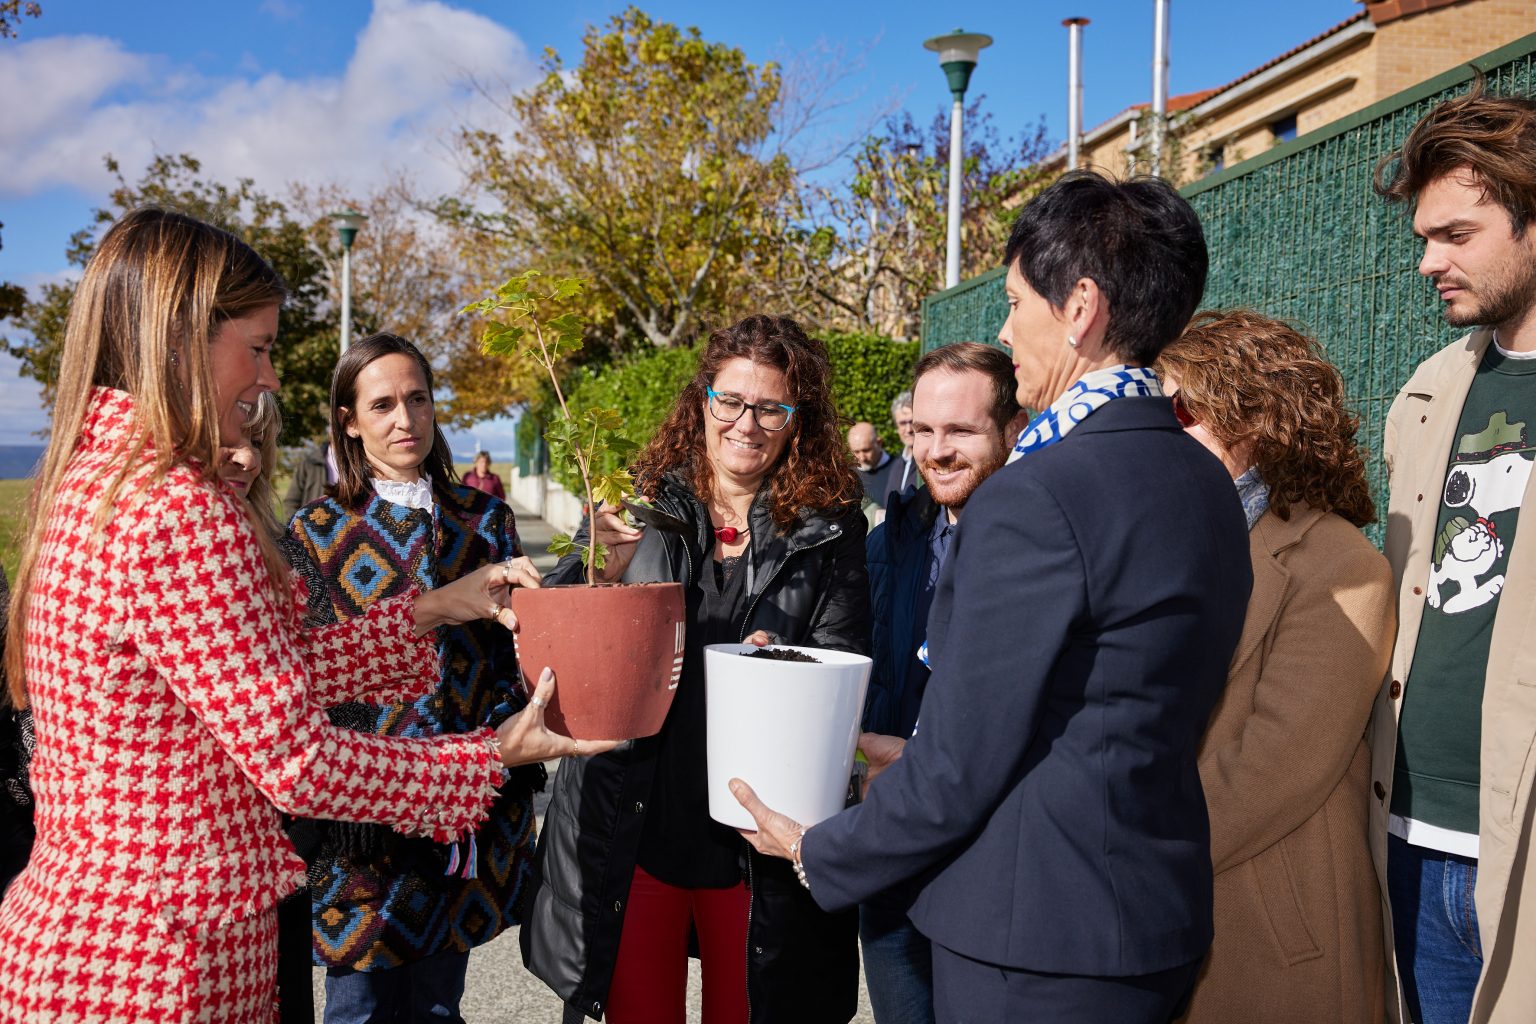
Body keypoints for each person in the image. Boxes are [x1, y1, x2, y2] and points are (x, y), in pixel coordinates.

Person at [0, 207, 612, 1022]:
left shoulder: (91, 482)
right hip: (172, 961)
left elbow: (234, 685)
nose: (270, 378)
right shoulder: (178, 507)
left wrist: (423, 614)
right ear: (179, 337)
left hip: (91, 942)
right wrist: (494, 752)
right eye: (256, 348)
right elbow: (296, 757)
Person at [731, 171, 1253, 1023]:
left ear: (1079, 307)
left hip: (1033, 938)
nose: (1006, 332)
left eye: (1015, 302)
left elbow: (959, 769)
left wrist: (819, 848)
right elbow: (1102, 702)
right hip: (1146, 919)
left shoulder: (1035, 493)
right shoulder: (1203, 478)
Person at [521, 314, 871, 1024]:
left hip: (754, 833)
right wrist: (594, 567)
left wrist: (788, 670)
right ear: (702, 401)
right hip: (633, 820)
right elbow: (553, 647)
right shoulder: (639, 508)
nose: (748, 423)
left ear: (797, 420)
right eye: (731, 401)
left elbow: (842, 663)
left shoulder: (830, 527)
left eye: (772, 407)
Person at [285, 333, 544, 1023]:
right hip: (362, 822)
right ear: (348, 419)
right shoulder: (316, 529)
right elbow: (305, 671)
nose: (406, 419)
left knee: (437, 1006)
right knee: (358, 1007)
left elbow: (516, 650)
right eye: (383, 404)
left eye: (418, 398)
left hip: (461, 810)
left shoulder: (484, 519)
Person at [1156, 310, 1395, 1023]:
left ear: (1255, 415)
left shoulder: (1343, 563)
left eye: (1182, 407)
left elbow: (1277, 766)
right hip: (1167, 916)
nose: (1161, 429)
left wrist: (1128, 846)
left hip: (1267, 935)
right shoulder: (1168, 540)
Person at [1369, 85, 1536, 1024]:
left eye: (1458, 234)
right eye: (1424, 237)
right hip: (1408, 834)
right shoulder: (1428, 390)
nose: (1430, 261)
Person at [858, 342, 1023, 1024]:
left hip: (992, 867)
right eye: (922, 431)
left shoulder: (1040, 553)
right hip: (891, 856)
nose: (936, 450)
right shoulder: (888, 542)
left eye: (959, 431)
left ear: (1013, 432)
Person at [283, 418, 335, 521]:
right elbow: (291, 502)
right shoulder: (309, 464)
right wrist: (299, 531)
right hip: (310, 531)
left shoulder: (359, 464)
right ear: (329, 429)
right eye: (334, 425)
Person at [849, 421, 902, 510]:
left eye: (866, 450)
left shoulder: (899, 468)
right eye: (856, 452)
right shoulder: (849, 475)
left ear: (879, 443)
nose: (862, 458)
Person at [890, 390, 918, 498]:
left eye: (912, 422)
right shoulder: (896, 464)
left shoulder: (931, 462)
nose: (908, 429)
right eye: (902, 423)